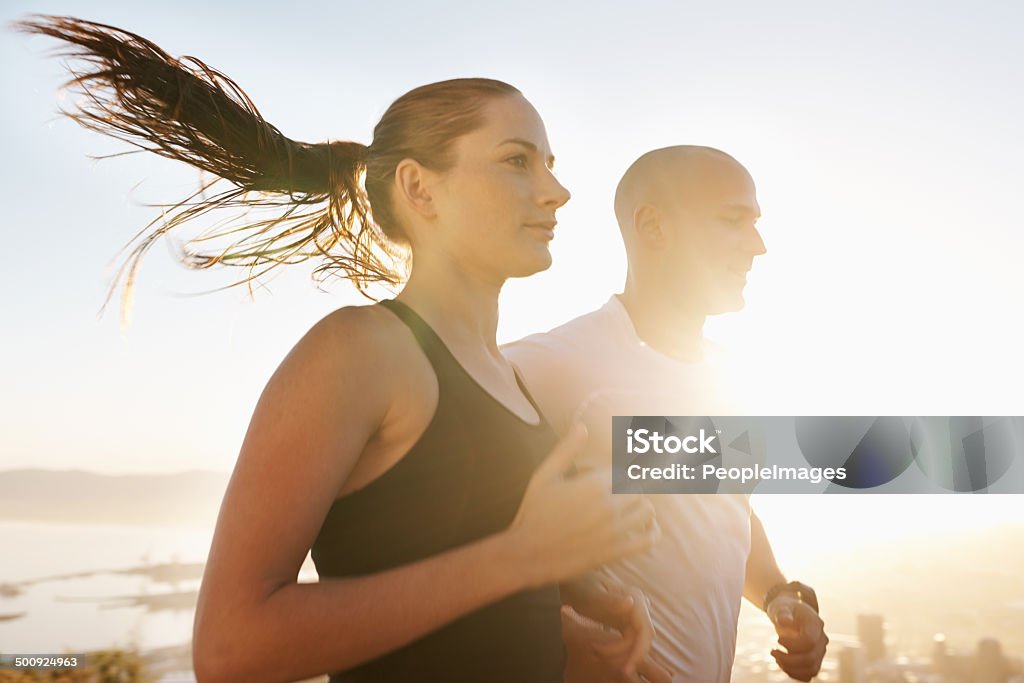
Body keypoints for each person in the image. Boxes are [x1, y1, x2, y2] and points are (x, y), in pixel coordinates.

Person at [18, 16, 662, 683]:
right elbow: (230, 649)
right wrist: (520, 559)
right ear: (419, 188)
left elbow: (445, 568)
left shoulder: (508, 376)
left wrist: (564, 612)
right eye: (516, 161)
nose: (556, 191)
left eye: (550, 165)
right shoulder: (359, 352)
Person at [505, 145, 830, 682]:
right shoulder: (546, 368)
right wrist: (560, 632)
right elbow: (462, 534)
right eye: (734, 221)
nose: (759, 246)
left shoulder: (733, 382)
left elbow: (723, 510)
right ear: (653, 227)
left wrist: (777, 595)